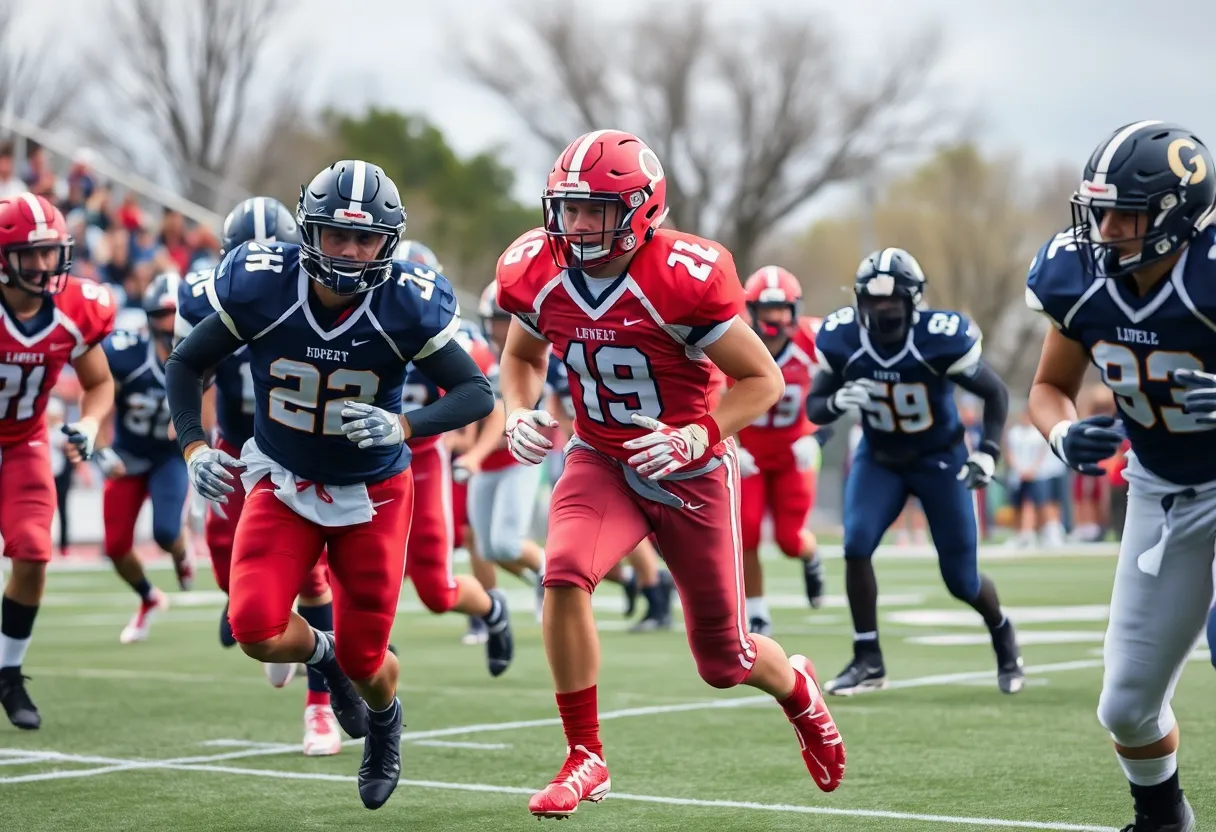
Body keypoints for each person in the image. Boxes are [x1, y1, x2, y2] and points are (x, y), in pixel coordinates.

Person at [495, 129, 845, 819]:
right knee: (562, 573)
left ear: (641, 210)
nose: (577, 224)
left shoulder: (683, 275)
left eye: (596, 210)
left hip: (690, 469)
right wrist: (515, 411)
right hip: (600, 456)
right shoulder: (537, 268)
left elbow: (761, 378)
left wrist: (697, 435)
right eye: (568, 207)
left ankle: (798, 686)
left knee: (724, 660)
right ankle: (584, 755)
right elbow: (522, 357)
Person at [165, 160, 494, 809]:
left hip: (373, 496)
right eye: (334, 236)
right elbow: (185, 363)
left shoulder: (406, 300)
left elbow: (476, 392)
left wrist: (404, 425)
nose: (347, 252)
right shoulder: (262, 286)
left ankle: (386, 720)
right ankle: (322, 655)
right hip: (285, 480)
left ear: (387, 244)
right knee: (255, 626)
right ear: (305, 232)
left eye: (363, 239)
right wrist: (193, 444)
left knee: (369, 660)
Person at [1026, 120, 1216, 832]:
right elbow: (1048, 387)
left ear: (1177, 215)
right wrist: (1064, 432)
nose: (1104, 228)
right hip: (1158, 488)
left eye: (1124, 213)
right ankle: (1163, 818)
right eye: (1098, 210)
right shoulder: (1077, 279)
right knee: (1127, 704)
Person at [807, 247, 1022, 696]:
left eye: (891, 300)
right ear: (859, 302)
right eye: (872, 301)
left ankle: (1002, 634)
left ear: (912, 301)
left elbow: (996, 393)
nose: (881, 310)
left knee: (961, 581)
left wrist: (986, 451)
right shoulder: (843, 338)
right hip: (879, 458)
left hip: (939, 459)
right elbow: (815, 405)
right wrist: (835, 404)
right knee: (856, 544)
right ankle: (868, 658)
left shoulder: (940, 338)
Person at [176, 196, 345, 757]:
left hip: (298, 448)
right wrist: (193, 444)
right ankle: (272, 624)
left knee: (315, 575)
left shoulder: (320, 295)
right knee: (229, 561)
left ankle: (320, 708)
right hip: (233, 445)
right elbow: (188, 369)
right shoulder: (209, 296)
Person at [0, 193, 116, 730]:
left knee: (33, 549)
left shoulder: (71, 311)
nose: (47, 266)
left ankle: (8, 671)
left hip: (24, 441)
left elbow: (98, 383)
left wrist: (90, 425)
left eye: (53, 253)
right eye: (33, 254)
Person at [94, 272, 195, 644]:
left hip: (169, 455)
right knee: (116, 547)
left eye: (174, 314)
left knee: (166, 532)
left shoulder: (201, 353)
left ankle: (182, 550)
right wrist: (102, 447)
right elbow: (100, 395)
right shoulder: (127, 354)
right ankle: (149, 597)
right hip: (130, 453)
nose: (168, 323)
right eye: (162, 314)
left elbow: (213, 406)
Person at [736, 266, 827, 636]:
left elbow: (838, 389)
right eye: (767, 309)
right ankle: (756, 610)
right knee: (747, 532)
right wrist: (730, 444)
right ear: (751, 310)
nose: (775, 319)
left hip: (794, 453)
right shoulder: (734, 339)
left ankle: (811, 556)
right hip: (750, 457)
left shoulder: (812, 339)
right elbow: (710, 394)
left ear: (796, 309)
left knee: (791, 541)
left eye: (782, 309)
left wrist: (817, 437)